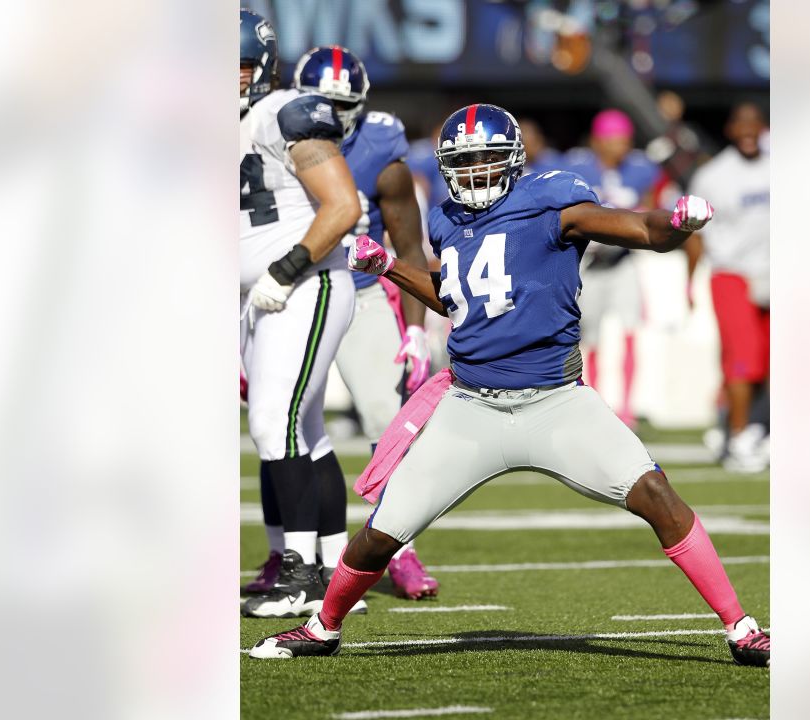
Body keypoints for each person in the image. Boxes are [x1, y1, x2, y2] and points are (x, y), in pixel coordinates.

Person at [249, 103, 771, 667]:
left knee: (658, 499)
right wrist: (391, 269)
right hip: (470, 406)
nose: (474, 170)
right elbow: (455, 300)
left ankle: (740, 626)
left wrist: (679, 223)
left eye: (485, 158)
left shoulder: (551, 200)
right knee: (382, 532)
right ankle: (324, 626)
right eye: (463, 160)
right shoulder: (447, 219)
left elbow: (643, 228)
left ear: (513, 159)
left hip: (556, 403)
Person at [283, 44, 440, 600]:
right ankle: (288, 553)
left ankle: (400, 549)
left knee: (385, 420)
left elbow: (408, 244)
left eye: (339, 103)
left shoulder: (379, 147)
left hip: (362, 290)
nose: (328, 113)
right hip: (291, 291)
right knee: (284, 426)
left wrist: (416, 328)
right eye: (318, 102)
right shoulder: (265, 133)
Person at [238, 9, 361, 619]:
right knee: (303, 431)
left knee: (272, 423)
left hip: (301, 284)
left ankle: (301, 575)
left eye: (233, 68)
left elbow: (342, 205)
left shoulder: (283, 111)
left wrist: (284, 271)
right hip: (258, 294)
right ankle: (332, 571)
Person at [685, 102, 771, 472]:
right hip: (731, 273)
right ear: (731, 130)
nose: (749, 129)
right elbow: (695, 232)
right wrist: (689, 280)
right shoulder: (713, 176)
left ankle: (742, 428)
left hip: (775, 273)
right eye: (742, 123)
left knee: (768, 360)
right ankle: (738, 437)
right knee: (743, 358)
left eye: (756, 122)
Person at [563, 110, 662, 428]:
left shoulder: (639, 169)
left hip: (622, 261)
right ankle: (596, 398)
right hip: (590, 264)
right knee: (588, 335)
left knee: (630, 330)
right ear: (597, 141)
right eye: (613, 140)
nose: (621, 147)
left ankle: (628, 406)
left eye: (624, 141)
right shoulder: (576, 168)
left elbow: (651, 205)